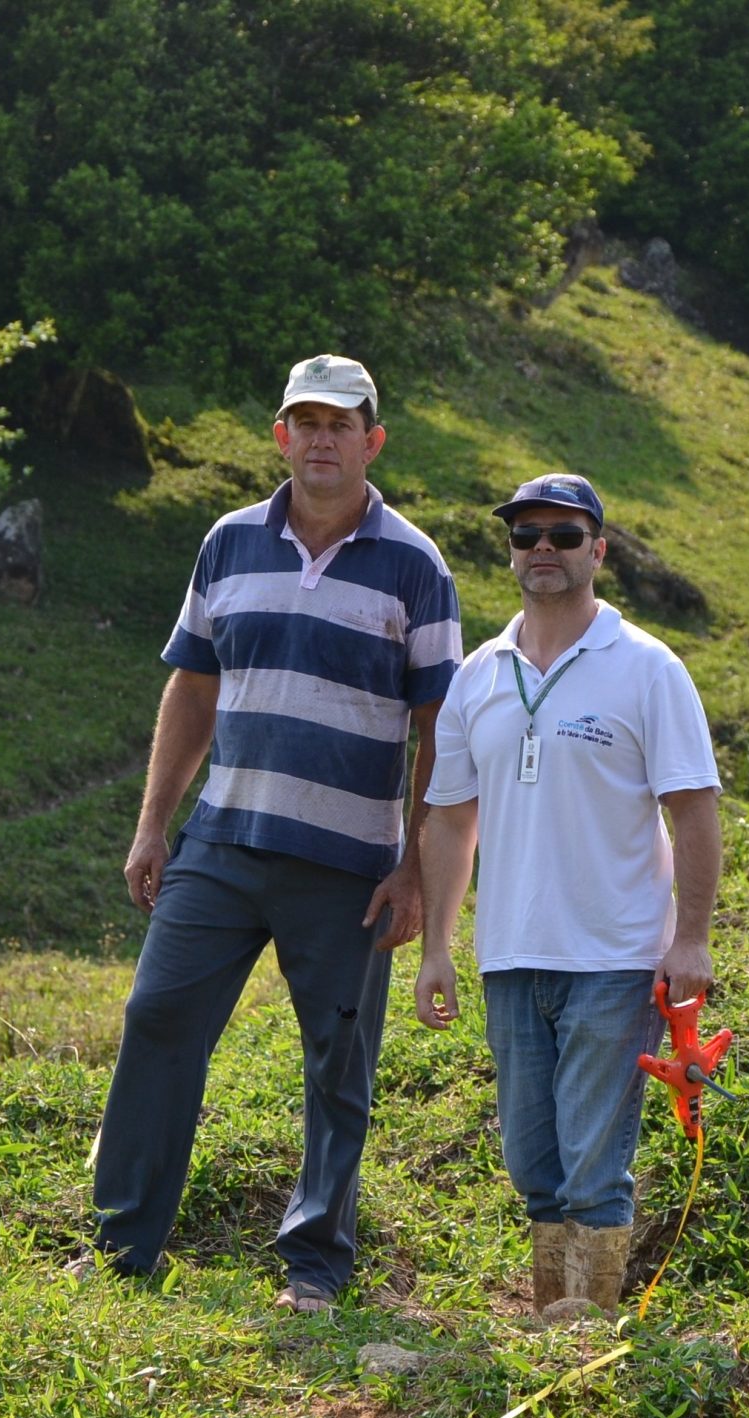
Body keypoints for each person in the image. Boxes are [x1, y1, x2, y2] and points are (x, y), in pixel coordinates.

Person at [86, 354, 462, 1315]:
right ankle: (124, 1244)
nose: (323, 440)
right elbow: (193, 685)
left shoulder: (416, 566)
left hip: (347, 866)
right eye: (307, 421)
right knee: (156, 1019)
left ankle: (315, 1266)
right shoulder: (227, 543)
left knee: (338, 1062)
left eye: (342, 424)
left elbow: (441, 730)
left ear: (373, 441)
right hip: (223, 840)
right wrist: (153, 825)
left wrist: (415, 870)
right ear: (281, 435)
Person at [413, 474, 722, 1318]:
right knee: (532, 1161)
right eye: (525, 535)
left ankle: (582, 1327)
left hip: (614, 957)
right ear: (509, 551)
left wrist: (689, 938)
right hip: (510, 954)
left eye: (563, 533)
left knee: (593, 1162)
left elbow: (692, 807)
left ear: (599, 549)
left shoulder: (648, 668)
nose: (542, 547)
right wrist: (438, 946)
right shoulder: (478, 675)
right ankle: (560, 1306)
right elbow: (447, 821)